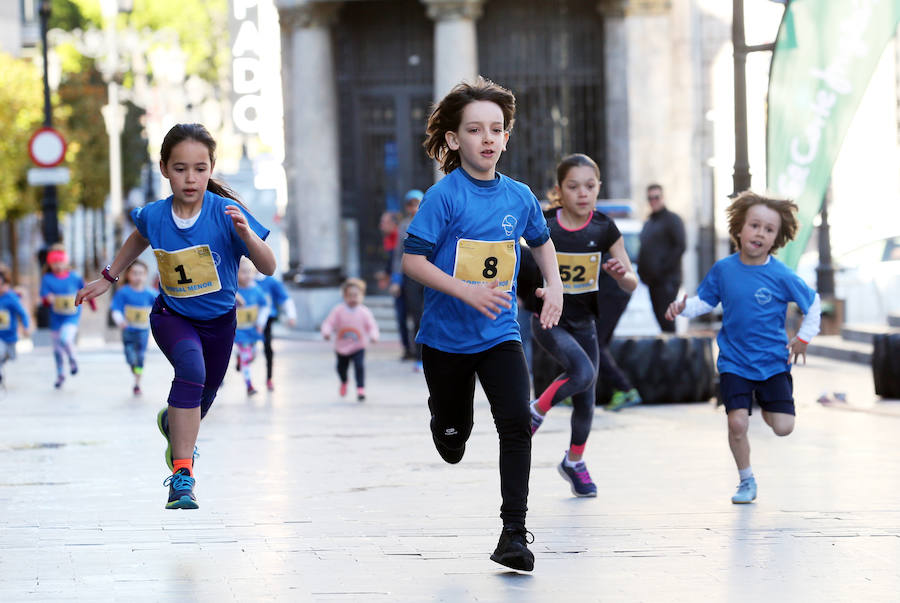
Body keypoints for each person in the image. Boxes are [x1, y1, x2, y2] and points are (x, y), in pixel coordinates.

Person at [401, 76, 564, 572]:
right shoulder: (443, 197)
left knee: (516, 423)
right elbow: (412, 261)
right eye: (475, 130)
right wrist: (466, 289)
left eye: (497, 129)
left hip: (500, 333)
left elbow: (541, 240)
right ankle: (446, 422)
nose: (488, 138)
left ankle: (513, 532)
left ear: (506, 138)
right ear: (454, 140)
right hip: (446, 340)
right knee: (454, 438)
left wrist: (554, 285)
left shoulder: (518, 196)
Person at [76, 123, 275, 510]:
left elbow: (267, 266)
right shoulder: (154, 215)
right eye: (181, 168)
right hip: (172, 315)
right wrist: (108, 276)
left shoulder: (227, 214)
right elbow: (139, 235)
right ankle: (182, 476)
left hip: (220, 325)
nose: (191, 178)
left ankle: (173, 424)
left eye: (200, 169)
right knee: (191, 371)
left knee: (202, 397)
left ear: (211, 169)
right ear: (165, 168)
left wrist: (248, 236)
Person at [666, 191, 820, 504]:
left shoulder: (781, 275)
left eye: (768, 229)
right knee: (737, 422)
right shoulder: (723, 269)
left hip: (773, 362)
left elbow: (813, 303)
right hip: (734, 361)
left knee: (783, 427)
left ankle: (766, 405)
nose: (760, 233)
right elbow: (706, 301)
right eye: (754, 225)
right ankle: (746, 481)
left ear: (776, 238)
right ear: (739, 228)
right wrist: (682, 308)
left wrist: (803, 338)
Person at [524, 154, 637, 498]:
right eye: (573, 187)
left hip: (585, 322)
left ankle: (574, 462)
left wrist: (622, 276)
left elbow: (632, 281)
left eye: (590, 186)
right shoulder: (546, 226)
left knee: (586, 400)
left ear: (599, 188)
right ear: (560, 191)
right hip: (549, 318)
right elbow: (518, 262)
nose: (583, 193)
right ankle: (535, 411)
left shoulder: (604, 228)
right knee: (583, 373)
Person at [320, 277, 379, 402]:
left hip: (359, 346)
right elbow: (329, 323)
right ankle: (344, 381)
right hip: (341, 347)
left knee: (359, 366)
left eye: (356, 295)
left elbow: (371, 325)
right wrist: (326, 332)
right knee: (341, 368)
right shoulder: (338, 310)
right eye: (349, 295)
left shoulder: (364, 312)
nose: (353, 298)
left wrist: (374, 335)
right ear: (344, 296)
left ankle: (360, 389)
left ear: (361, 296)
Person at [637, 184, 685, 333]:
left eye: (656, 197)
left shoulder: (672, 219)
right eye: (650, 198)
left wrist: (662, 270)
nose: (653, 201)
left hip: (667, 281)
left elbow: (680, 246)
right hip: (653, 282)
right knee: (661, 320)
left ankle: (675, 354)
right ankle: (669, 353)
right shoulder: (649, 222)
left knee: (667, 319)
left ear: (662, 198)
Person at [595, 266, 643, 411]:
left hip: (612, 290)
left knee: (595, 343)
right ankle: (580, 391)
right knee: (600, 343)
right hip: (614, 290)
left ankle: (625, 389)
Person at [41, 244, 89, 389]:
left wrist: (92, 303)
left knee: (65, 339)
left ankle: (73, 358)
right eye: (54, 262)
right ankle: (60, 374)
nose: (58, 265)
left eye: (60, 261)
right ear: (50, 263)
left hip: (71, 317)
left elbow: (86, 289)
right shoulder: (47, 279)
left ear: (66, 262)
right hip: (56, 318)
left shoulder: (75, 277)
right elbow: (44, 296)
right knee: (57, 350)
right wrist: (48, 299)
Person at [110, 259, 158, 396]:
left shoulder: (150, 294)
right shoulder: (123, 292)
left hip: (143, 331)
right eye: (135, 273)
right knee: (130, 356)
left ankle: (137, 382)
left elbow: (160, 308)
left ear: (146, 275)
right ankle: (133, 366)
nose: (138, 276)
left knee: (141, 356)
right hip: (128, 331)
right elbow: (116, 309)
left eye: (141, 273)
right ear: (128, 275)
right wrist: (120, 321)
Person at [392, 189, 425, 369]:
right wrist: (396, 280)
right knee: (415, 316)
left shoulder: (430, 221)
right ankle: (417, 354)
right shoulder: (404, 225)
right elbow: (398, 254)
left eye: (417, 204)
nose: (414, 208)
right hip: (410, 276)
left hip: (429, 275)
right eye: (411, 205)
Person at [234, 258, 271, 395]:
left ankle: (240, 357)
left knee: (252, 355)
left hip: (253, 330)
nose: (247, 275)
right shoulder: (234, 290)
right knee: (246, 358)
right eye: (243, 272)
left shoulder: (256, 290)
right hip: (239, 332)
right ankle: (249, 385)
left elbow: (265, 306)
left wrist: (261, 323)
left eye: (250, 272)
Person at [255, 273, 297, 391]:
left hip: (267, 319)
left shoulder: (271, 282)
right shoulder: (242, 278)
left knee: (267, 347)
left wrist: (291, 315)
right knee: (244, 346)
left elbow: (284, 298)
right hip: (248, 320)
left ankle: (269, 378)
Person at [0, 263, 32, 387]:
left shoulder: (11, 298)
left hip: (10, 337)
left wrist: (25, 326)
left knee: (8, 356)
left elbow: (22, 313)